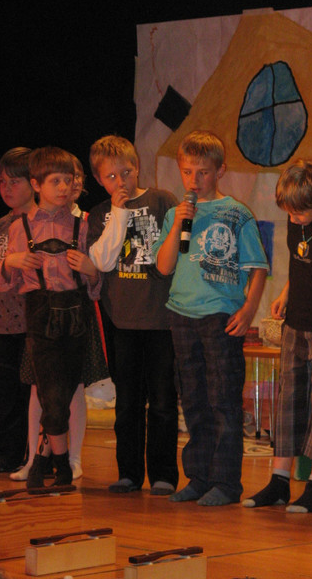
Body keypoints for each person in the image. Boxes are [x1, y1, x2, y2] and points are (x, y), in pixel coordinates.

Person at [154, 130, 268, 506]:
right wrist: (177, 224)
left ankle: (226, 482)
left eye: (202, 172)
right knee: (193, 400)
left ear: (219, 171)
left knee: (223, 400)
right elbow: (165, 265)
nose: (194, 180)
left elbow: (258, 267)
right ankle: (199, 477)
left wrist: (248, 309)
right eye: (187, 172)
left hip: (220, 315)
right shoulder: (175, 214)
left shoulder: (236, 213)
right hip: (181, 314)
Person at [0, 146, 100, 489]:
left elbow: (96, 287)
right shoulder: (20, 227)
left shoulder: (82, 225)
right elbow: (1, 281)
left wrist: (92, 271)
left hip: (76, 317)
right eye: (56, 181)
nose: (64, 187)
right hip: (39, 317)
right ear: (36, 184)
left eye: (69, 180)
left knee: (67, 392)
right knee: (48, 395)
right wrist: (11, 262)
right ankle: (49, 461)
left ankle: (56, 462)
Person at [242, 161, 312, 513]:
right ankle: (279, 480)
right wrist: (286, 292)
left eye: (299, 212)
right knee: (287, 401)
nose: (293, 218)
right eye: (288, 212)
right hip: (295, 323)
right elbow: (302, 262)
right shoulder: (296, 218)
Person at [87, 135, 179, 495]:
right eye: (111, 177)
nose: (121, 182)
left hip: (161, 320)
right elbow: (103, 261)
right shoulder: (101, 213)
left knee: (163, 401)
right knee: (127, 402)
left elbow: (179, 249)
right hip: (121, 321)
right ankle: (128, 472)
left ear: (137, 166)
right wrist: (119, 213)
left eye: (126, 172)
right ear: (99, 180)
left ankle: (164, 474)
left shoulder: (162, 201)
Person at [0, 147, 34, 474]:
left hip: (34, 322)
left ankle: (37, 455)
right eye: (2, 182)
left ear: (34, 182)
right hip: (2, 322)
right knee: (6, 390)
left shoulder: (44, 221)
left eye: (15, 181)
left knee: (33, 392)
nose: (7, 188)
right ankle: (5, 455)